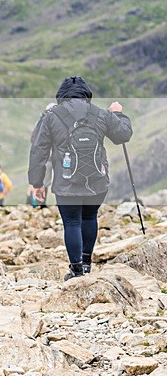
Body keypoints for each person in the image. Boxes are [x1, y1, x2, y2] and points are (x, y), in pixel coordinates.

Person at [29, 76, 132, 280]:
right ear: (87, 95)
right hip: (97, 180)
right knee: (89, 217)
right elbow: (123, 135)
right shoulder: (101, 114)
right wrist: (119, 114)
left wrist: (37, 183)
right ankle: (86, 264)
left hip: (66, 182)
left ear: (61, 96)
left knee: (72, 222)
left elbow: (39, 151)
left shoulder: (51, 117)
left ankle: (76, 271)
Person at [28, 103, 56, 207]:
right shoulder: (58, 120)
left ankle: (41, 204)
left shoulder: (41, 121)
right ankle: (59, 205)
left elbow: (33, 138)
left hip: (46, 157)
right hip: (56, 156)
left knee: (44, 181)